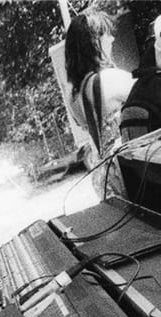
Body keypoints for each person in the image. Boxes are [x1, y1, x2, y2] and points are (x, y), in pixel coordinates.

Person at [64, 10, 135, 199]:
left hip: (102, 174)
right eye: (106, 34)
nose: (112, 39)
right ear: (95, 43)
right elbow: (153, 95)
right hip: (125, 169)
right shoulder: (108, 80)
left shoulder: (72, 94)